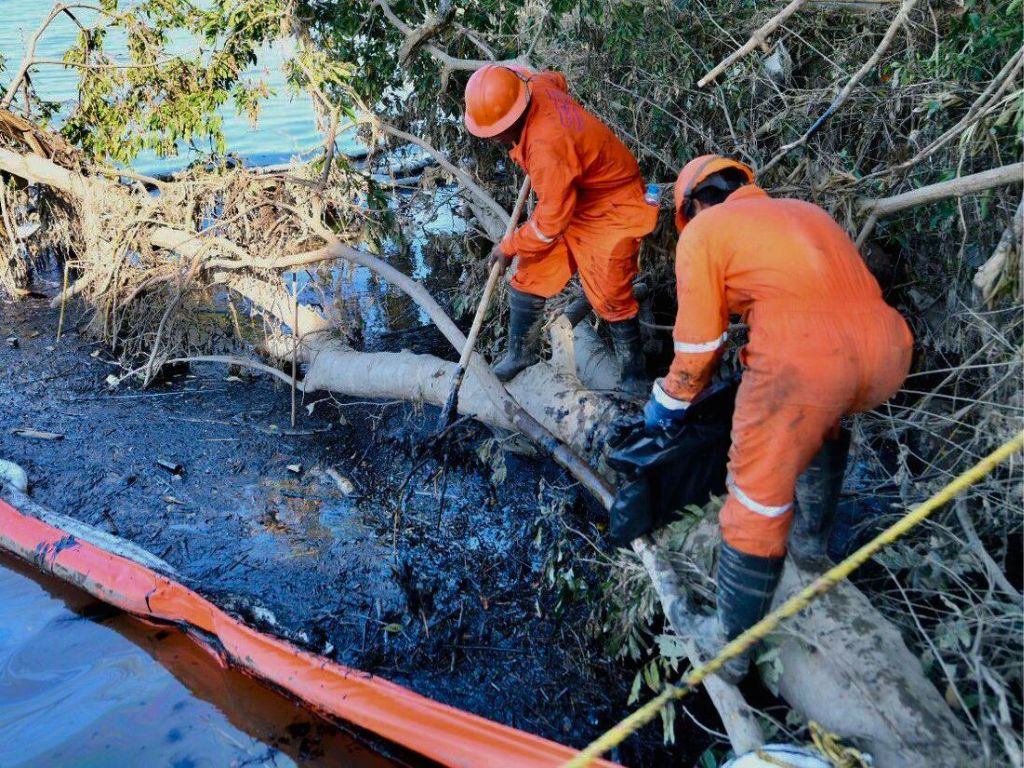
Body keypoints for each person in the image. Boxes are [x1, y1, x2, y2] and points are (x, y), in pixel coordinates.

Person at [644, 154, 913, 680]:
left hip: (805, 363)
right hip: (888, 351)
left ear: (695, 205)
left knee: (754, 500)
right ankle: (811, 549)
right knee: (823, 426)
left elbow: (700, 347)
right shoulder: (806, 212)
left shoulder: (704, 233)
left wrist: (667, 404)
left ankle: (732, 649)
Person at [463, 64, 659, 396]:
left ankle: (634, 379)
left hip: (611, 204)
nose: (493, 138)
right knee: (530, 275)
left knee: (611, 296)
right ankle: (520, 355)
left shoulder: (546, 148)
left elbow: (550, 224)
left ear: (511, 120)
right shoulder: (532, 83)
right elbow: (558, 79)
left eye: (494, 131)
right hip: (574, 193)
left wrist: (509, 246)